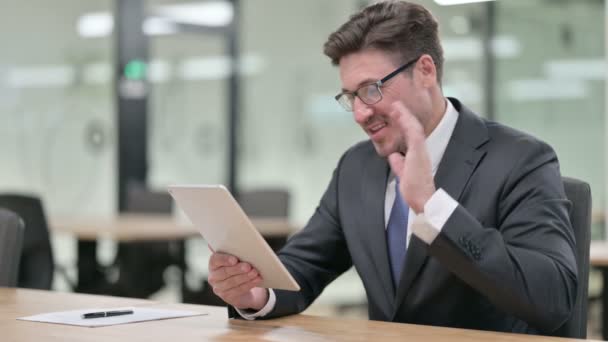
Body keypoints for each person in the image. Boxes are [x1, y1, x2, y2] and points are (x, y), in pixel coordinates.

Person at [208, 0, 577, 335]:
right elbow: (303, 267)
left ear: (425, 71)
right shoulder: (358, 166)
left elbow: (552, 299)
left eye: (372, 89)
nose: (360, 113)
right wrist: (255, 293)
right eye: (350, 96)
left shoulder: (520, 159)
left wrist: (433, 208)